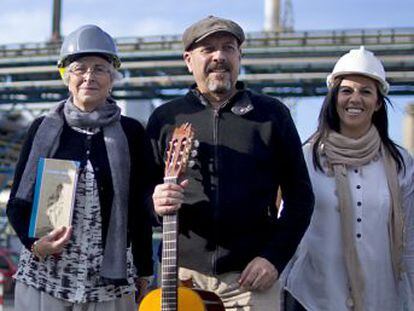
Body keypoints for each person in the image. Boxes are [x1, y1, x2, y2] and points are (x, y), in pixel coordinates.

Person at [146, 16, 314, 311]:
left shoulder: (272, 115)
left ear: (240, 56)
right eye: (207, 49)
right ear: (189, 60)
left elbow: (301, 198)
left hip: (250, 280)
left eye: (228, 48)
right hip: (182, 278)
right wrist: (153, 204)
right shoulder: (165, 118)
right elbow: (139, 195)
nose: (219, 56)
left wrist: (274, 258)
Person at [7, 25, 156, 311]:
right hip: (46, 277)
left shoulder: (131, 133)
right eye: (79, 68)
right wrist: (34, 244)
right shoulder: (43, 129)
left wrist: (144, 268)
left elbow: (139, 208)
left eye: (100, 68)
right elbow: (18, 202)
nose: (89, 76)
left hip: (108, 283)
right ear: (66, 76)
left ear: (112, 77)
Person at [282, 46, 414, 311]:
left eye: (366, 91)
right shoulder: (306, 158)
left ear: (378, 102)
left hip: (382, 297)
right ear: (334, 97)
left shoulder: (400, 162)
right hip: (312, 298)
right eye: (346, 90)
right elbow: (287, 227)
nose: (355, 99)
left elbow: (410, 236)